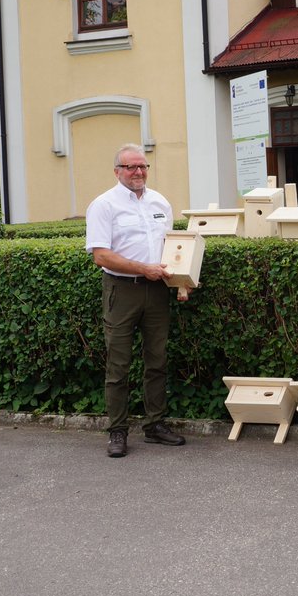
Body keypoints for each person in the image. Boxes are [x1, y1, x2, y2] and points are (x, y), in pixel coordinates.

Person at [85, 143, 186, 457]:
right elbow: (101, 256)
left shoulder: (160, 202)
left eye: (143, 166)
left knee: (157, 361)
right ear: (117, 171)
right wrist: (144, 269)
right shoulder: (104, 205)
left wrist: (182, 281)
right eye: (131, 167)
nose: (138, 172)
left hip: (157, 291)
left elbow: (173, 249)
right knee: (119, 365)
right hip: (122, 290)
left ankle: (155, 425)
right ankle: (117, 431)